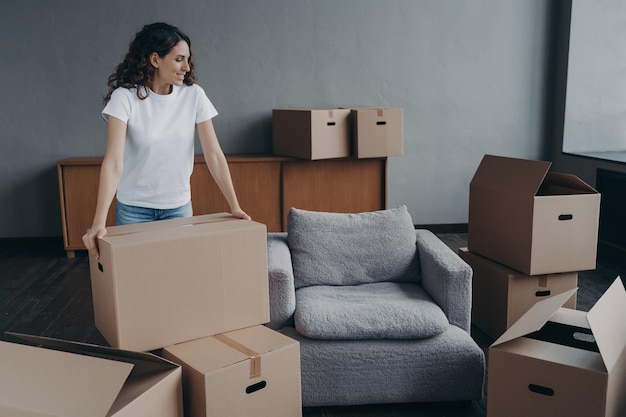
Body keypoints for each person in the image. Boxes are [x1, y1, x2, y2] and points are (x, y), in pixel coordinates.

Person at [82, 22, 250, 259]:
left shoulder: (194, 95)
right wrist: (98, 222)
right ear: (155, 59)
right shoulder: (125, 98)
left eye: (188, 59)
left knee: (177, 280)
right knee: (138, 280)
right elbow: (113, 162)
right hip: (133, 209)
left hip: (178, 208)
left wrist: (234, 205)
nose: (186, 66)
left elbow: (214, 155)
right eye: (179, 59)